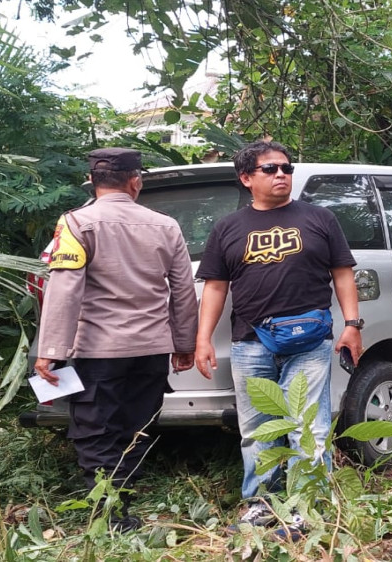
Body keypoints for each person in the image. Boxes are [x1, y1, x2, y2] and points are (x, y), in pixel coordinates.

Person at [194, 140, 364, 534]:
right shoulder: (228, 228)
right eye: (270, 169)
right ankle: (261, 506)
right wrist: (203, 339)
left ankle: (306, 508)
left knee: (310, 426)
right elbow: (216, 287)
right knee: (256, 429)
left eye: (286, 168)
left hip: (310, 341)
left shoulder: (320, 219)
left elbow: (343, 274)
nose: (281, 175)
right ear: (246, 178)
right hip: (250, 343)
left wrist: (352, 326)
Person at [33, 147, 198, 532]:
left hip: (98, 350)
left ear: (92, 181)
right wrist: (184, 343)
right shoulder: (166, 225)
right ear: (135, 181)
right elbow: (183, 290)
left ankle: (109, 515)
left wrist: (50, 351)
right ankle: (119, 508)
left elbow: (65, 290)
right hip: (151, 350)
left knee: (96, 431)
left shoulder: (76, 223)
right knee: (134, 429)